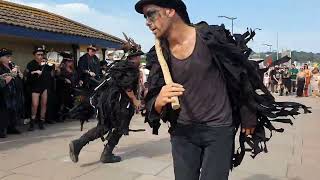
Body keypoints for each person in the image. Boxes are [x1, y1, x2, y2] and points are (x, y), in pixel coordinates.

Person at [135, 1, 311, 180]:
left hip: (218, 129)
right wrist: (157, 101)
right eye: (144, 17)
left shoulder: (210, 38)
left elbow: (240, 75)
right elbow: (152, 103)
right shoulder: (158, 54)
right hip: (183, 133)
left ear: (170, 10)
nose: (147, 22)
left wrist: (248, 114)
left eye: (151, 14)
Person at [68, 39, 143, 164]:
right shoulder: (131, 68)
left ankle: (79, 144)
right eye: (139, 56)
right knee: (120, 127)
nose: (140, 59)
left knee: (104, 126)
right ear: (134, 57)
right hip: (119, 104)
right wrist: (135, 100)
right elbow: (127, 86)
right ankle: (106, 154)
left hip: (109, 102)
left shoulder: (120, 66)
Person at [25, 46, 52, 131]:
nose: (40, 56)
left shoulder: (46, 64)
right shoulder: (31, 64)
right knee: (35, 105)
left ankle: (41, 122)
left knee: (44, 104)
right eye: (38, 54)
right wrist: (35, 72)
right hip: (35, 87)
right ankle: (32, 122)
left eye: (42, 54)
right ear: (35, 55)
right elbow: (27, 76)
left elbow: (52, 73)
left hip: (44, 86)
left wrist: (54, 66)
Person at [0, 48, 23, 138]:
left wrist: (19, 72)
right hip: (4, 92)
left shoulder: (12, 65)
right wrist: (11, 73)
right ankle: (2, 129)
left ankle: (12, 127)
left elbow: (20, 77)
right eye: (7, 56)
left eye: (10, 56)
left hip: (13, 91)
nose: (9, 58)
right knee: (4, 111)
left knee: (13, 109)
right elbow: (4, 80)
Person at [56, 52, 81, 121]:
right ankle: (60, 116)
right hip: (63, 88)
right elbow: (57, 77)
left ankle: (69, 114)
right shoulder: (61, 69)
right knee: (62, 102)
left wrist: (79, 80)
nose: (71, 63)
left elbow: (76, 77)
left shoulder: (72, 69)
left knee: (71, 101)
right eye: (69, 61)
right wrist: (65, 79)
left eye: (71, 61)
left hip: (71, 87)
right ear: (65, 62)